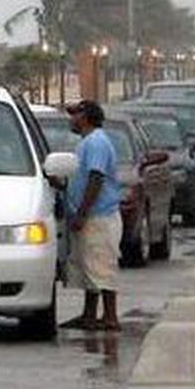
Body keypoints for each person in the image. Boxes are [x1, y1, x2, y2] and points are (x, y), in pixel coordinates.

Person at [59, 99, 124, 331]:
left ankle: (110, 316)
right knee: (89, 267)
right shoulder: (86, 142)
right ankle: (89, 315)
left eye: (74, 114)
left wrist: (82, 213)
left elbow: (96, 178)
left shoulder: (96, 142)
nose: (71, 119)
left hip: (99, 217)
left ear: (85, 116)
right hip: (91, 216)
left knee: (102, 265)